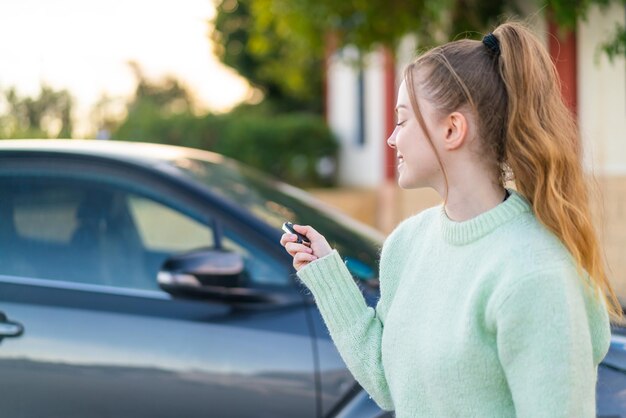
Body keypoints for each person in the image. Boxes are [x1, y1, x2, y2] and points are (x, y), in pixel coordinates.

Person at [280, 21, 623, 418]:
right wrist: (326, 274)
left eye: (403, 120)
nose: (392, 138)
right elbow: (390, 383)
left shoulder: (534, 273)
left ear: (452, 129)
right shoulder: (406, 243)